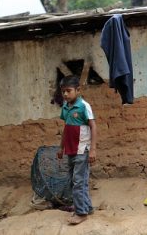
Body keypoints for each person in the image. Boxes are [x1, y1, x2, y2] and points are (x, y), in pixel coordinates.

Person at [56, 75, 97, 225]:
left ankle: (81, 213)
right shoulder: (65, 108)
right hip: (70, 151)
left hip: (82, 150)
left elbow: (93, 126)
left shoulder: (83, 106)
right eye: (63, 92)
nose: (65, 94)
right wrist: (61, 148)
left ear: (78, 90)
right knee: (78, 182)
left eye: (69, 91)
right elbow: (66, 129)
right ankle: (87, 207)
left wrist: (92, 149)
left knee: (78, 181)